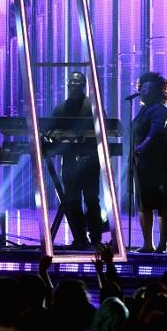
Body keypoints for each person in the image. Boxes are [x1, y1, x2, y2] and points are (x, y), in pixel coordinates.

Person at [132, 71, 167, 253]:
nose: (143, 91)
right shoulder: (143, 110)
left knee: (163, 203)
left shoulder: (160, 110)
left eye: (148, 88)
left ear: (157, 91)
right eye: (142, 88)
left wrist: (142, 147)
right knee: (144, 203)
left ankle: (162, 244)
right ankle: (148, 244)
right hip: (145, 163)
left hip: (162, 163)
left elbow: (155, 132)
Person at [51, 71, 102, 249]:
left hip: (90, 160)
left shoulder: (93, 106)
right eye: (71, 81)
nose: (73, 84)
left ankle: (96, 239)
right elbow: (50, 130)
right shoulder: (60, 108)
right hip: (70, 161)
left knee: (91, 199)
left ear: (83, 85)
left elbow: (105, 128)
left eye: (77, 81)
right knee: (72, 201)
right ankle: (80, 239)